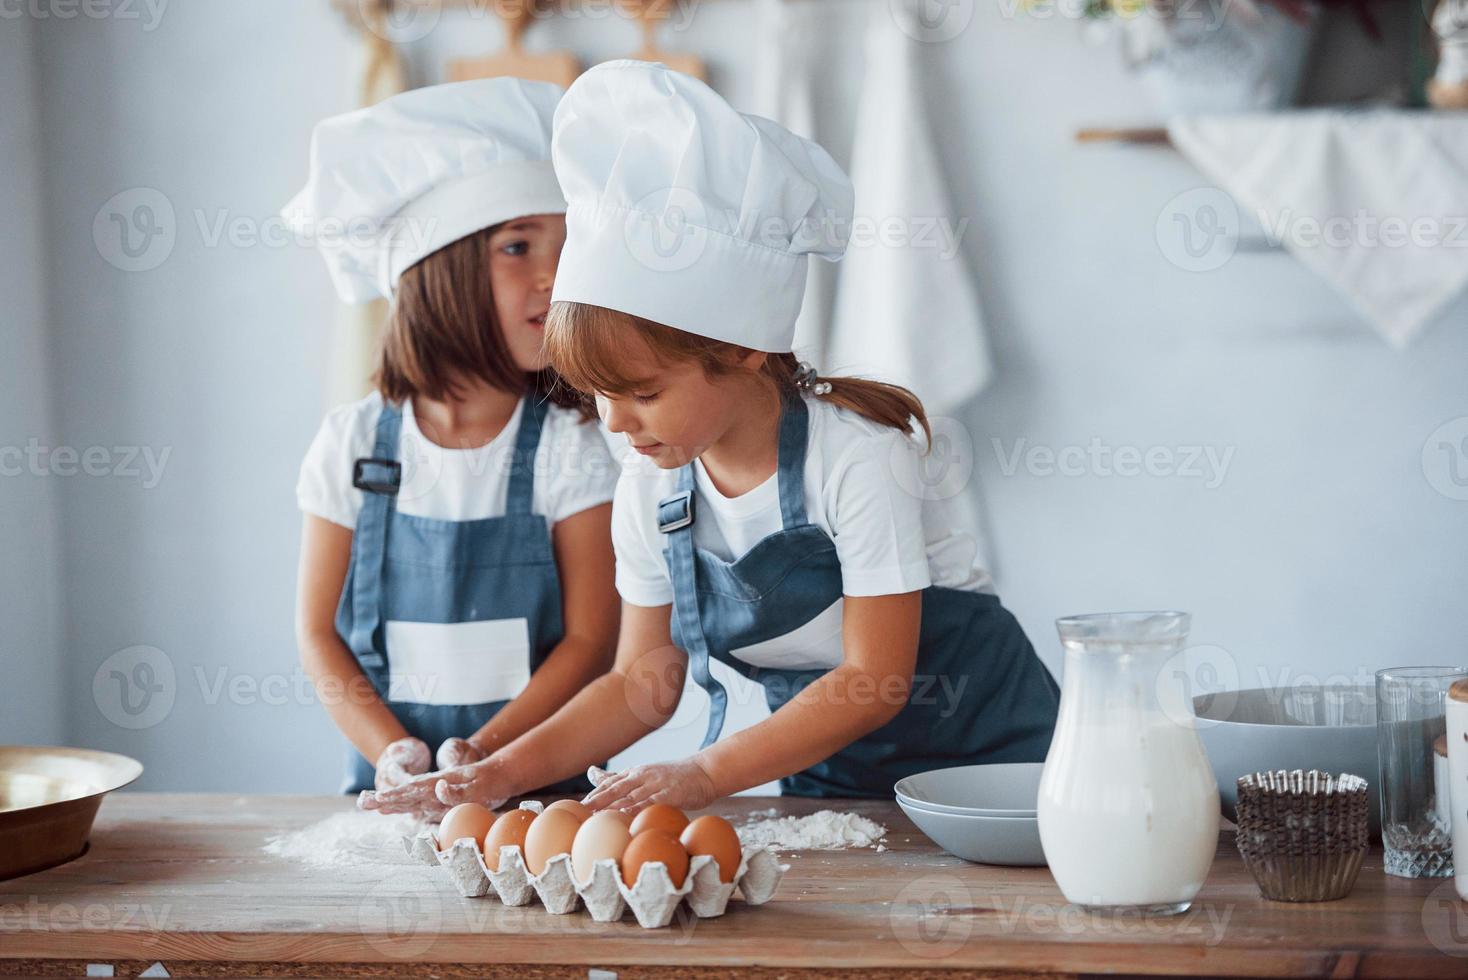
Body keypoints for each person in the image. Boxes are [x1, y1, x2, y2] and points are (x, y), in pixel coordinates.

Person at [366, 62, 1059, 816]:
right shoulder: (654, 483)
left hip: (999, 767)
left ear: (743, 349)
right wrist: (500, 775)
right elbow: (643, 681)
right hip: (834, 776)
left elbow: (874, 680)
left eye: (644, 392)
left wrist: (699, 776)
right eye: (597, 395)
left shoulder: (860, 457)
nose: (616, 423)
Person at [286, 78, 619, 812]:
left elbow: (594, 643)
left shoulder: (571, 447)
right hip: (394, 801)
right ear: (438, 274)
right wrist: (393, 752)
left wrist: (485, 758)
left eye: (565, 246)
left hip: (542, 797)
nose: (553, 274)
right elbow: (318, 636)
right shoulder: (352, 445)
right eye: (518, 245)